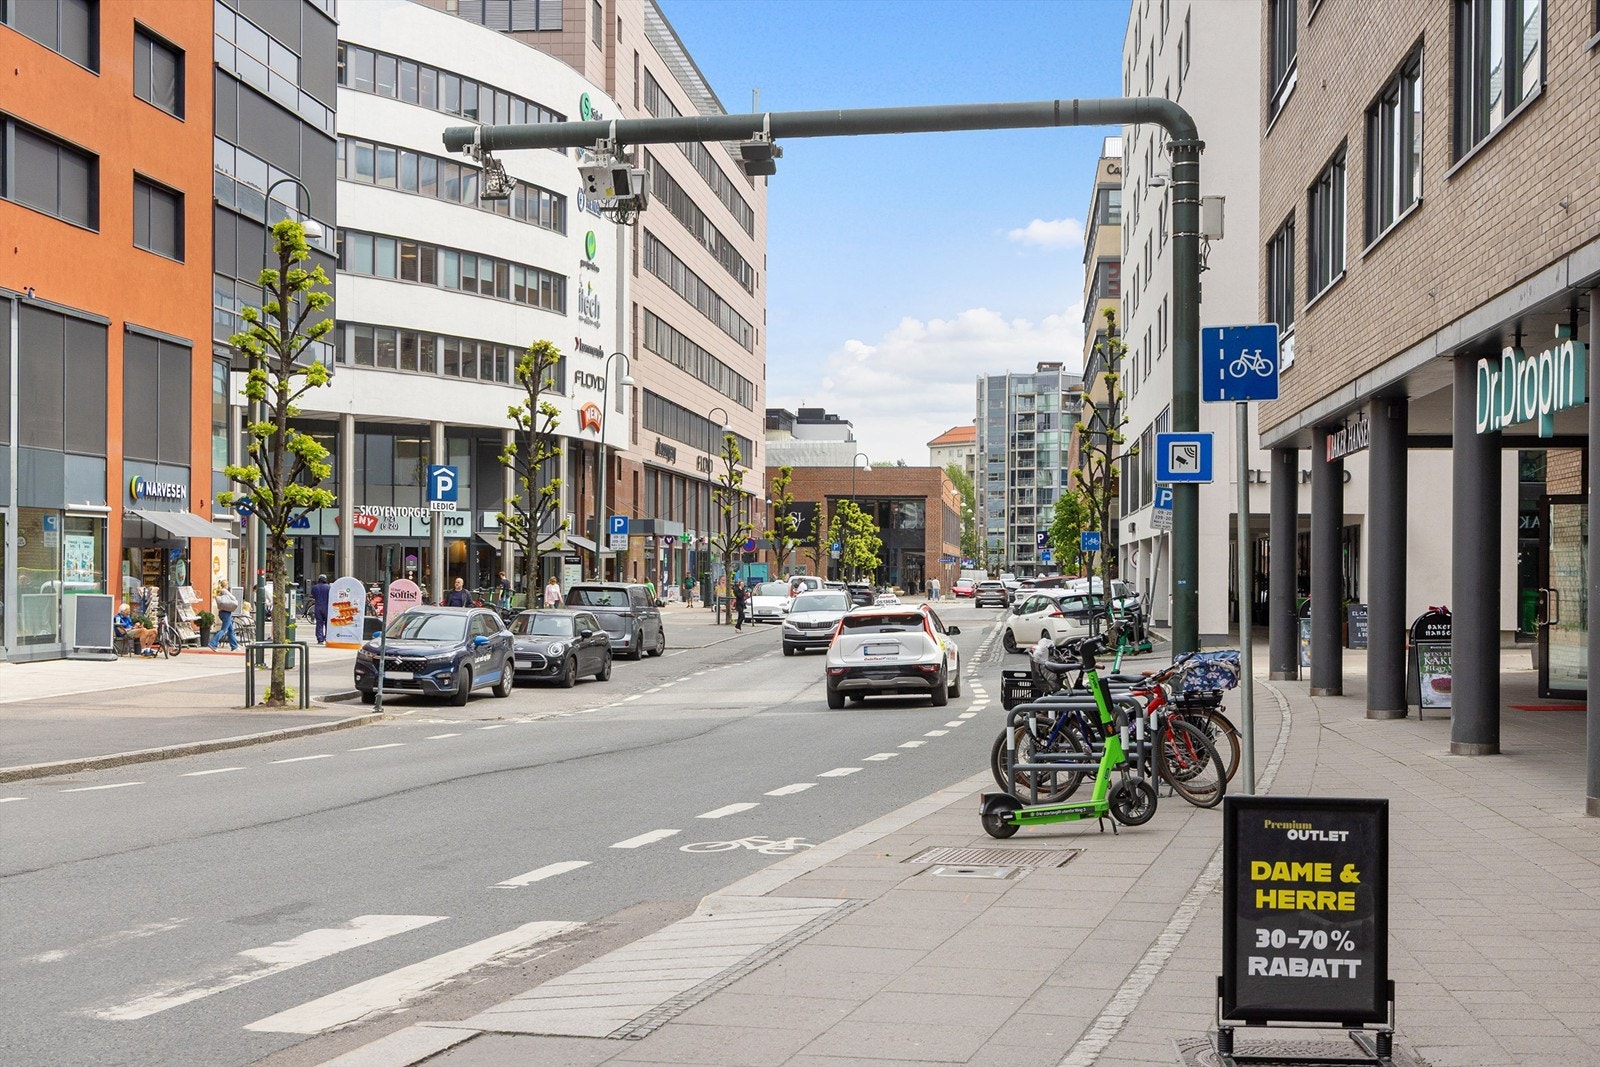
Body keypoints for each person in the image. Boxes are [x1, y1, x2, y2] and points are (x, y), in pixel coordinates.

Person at [210, 582, 240, 650]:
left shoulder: (220, 591)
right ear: (226, 585)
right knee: (223, 630)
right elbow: (233, 598)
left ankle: (234, 646)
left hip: (222, 612)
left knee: (231, 629)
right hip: (227, 613)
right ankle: (213, 643)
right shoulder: (224, 590)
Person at [311, 574, 331, 644]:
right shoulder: (329, 587)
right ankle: (327, 637)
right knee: (328, 623)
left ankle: (320, 639)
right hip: (327, 607)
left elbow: (313, 597)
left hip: (318, 607)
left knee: (319, 623)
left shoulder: (315, 587)